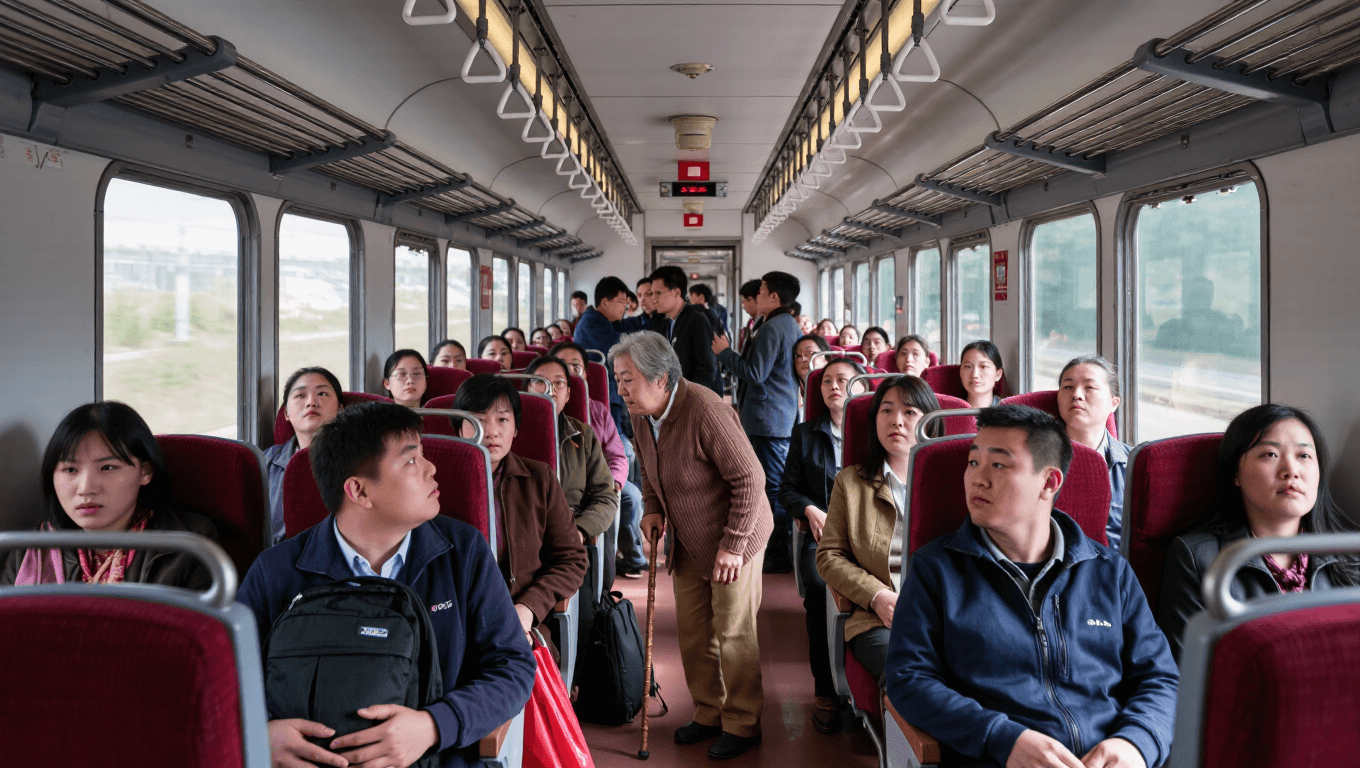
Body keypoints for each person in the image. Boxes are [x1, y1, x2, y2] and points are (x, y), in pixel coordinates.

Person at [235, 402, 536, 768]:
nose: (431, 468)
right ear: (359, 491)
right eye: (411, 461)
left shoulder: (462, 553)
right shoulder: (277, 571)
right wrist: (256, 733)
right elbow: (230, 681)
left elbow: (512, 666)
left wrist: (434, 726)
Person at [886, 405, 1179, 768]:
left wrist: (1136, 743)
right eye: (973, 462)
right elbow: (908, 679)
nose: (977, 478)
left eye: (999, 465)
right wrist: (1001, 737)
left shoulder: (1109, 572)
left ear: (1049, 482)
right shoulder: (936, 569)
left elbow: (1160, 676)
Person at [613, 331, 772, 759]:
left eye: (628, 378)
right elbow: (648, 466)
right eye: (617, 378)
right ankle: (709, 711)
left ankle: (743, 721)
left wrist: (734, 545)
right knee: (694, 632)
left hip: (736, 534)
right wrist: (650, 508)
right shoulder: (642, 413)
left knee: (733, 631)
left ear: (661, 378)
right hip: (688, 538)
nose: (620, 389)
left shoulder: (705, 409)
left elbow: (750, 479)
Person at [1159, 403, 1360, 661]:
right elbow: (1189, 672)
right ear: (1236, 473)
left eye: (1304, 456)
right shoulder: (1199, 558)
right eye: (1270, 455)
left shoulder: (1349, 554)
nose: (1291, 471)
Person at [2, 401, 218, 588]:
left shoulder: (188, 546)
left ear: (145, 472)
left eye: (107, 468)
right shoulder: (32, 551)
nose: (86, 488)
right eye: (70, 470)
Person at [816, 376, 938, 688]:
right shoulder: (850, 482)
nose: (897, 421)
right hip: (877, 617)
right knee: (907, 675)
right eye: (887, 411)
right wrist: (877, 595)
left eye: (910, 412)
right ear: (875, 420)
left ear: (930, 423)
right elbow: (829, 556)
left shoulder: (950, 483)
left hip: (941, 612)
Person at [452, 375, 588, 640]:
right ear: (459, 428)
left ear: (515, 428)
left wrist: (528, 608)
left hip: (518, 621)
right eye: (477, 420)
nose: (490, 431)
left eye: (502, 420)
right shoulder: (434, 483)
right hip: (454, 622)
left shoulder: (539, 480)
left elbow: (571, 558)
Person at [780, 358, 870, 733]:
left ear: (862, 389)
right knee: (820, 589)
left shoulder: (873, 432)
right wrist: (810, 508)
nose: (835, 386)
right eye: (827, 381)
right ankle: (826, 689)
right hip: (823, 534)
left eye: (845, 380)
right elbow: (786, 490)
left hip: (868, 534)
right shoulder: (805, 433)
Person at [713, 271, 802, 574]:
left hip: (768, 420)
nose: (758, 296)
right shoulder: (786, 323)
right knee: (770, 484)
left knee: (772, 488)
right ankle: (777, 547)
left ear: (773, 297)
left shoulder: (771, 328)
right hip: (775, 416)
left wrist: (724, 353)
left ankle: (777, 553)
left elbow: (754, 373)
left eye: (762, 291)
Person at [550, 340, 649, 577]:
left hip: (599, 479)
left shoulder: (597, 411)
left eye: (577, 367)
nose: (571, 372)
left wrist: (614, 481)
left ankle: (630, 556)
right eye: (564, 366)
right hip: (564, 485)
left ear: (584, 374)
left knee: (630, 497)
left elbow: (616, 454)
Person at [1056, 355, 1131, 550]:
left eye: (1089, 387)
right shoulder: (1037, 461)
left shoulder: (1135, 465)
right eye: (1068, 387)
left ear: (1114, 403)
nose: (1077, 395)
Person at [264, 366, 346, 543]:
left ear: (341, 410)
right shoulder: (264, 462)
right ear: (286, 413)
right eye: (300, 396)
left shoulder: (361, 459)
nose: (311, 402)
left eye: (322, 394)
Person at [573, 276, 642, 436]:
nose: (625, 307)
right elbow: (618, 349)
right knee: (614, 437)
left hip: (607, 392)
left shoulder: (601, 320)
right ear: (605, 302)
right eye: (621, 302)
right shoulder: (593, 324)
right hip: (602, 395)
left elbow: (624, 326)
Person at [649, 266, 721, 396]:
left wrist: (687, 399)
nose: (653, 298)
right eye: (652, 293)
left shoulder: (696, 319)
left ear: (676, 292)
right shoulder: (665, 322)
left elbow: (707, 370)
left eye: (658, 293)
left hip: (695, 401)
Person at [793, 334, 831, 418]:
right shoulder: (793, 390)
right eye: (799, 356)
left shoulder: (833, 387)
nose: (803, 360)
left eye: (810, 354)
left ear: (826, 358)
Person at [960, 339, 1005, 407]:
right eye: (968, 366)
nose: (975, 375)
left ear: (998, 374)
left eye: (983, 367)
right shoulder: (948, 413)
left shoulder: (1008, 413)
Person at [736, 279, 762, 353]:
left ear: (750, 299)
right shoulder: (753, 322)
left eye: (743, 301)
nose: (743, 306)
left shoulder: (765, 326)